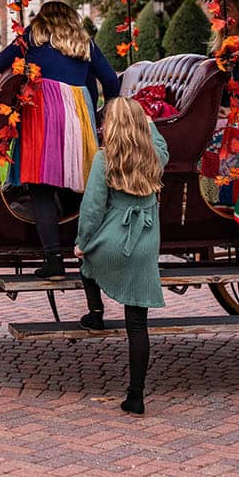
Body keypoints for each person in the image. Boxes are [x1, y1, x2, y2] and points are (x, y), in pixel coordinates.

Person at [0, 0, 119, 276]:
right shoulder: (85, 44)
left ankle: (53, 258)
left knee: (42, 187)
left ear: (41, 21)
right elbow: (111, 82)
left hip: (40, 115)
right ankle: (91, 250)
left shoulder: (31, 39)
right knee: (83, 184)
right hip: (77, 118)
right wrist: (97, 110)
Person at [74, 96, 169, 417]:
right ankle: (135, 395)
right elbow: (159, 141)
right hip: (145, 245)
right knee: (137, 326)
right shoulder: (155, 157)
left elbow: (91, 211)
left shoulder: (105, 159)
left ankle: (96, 312)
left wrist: (82, 242)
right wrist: (146, 120)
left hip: (114, 239)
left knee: (85, 263)